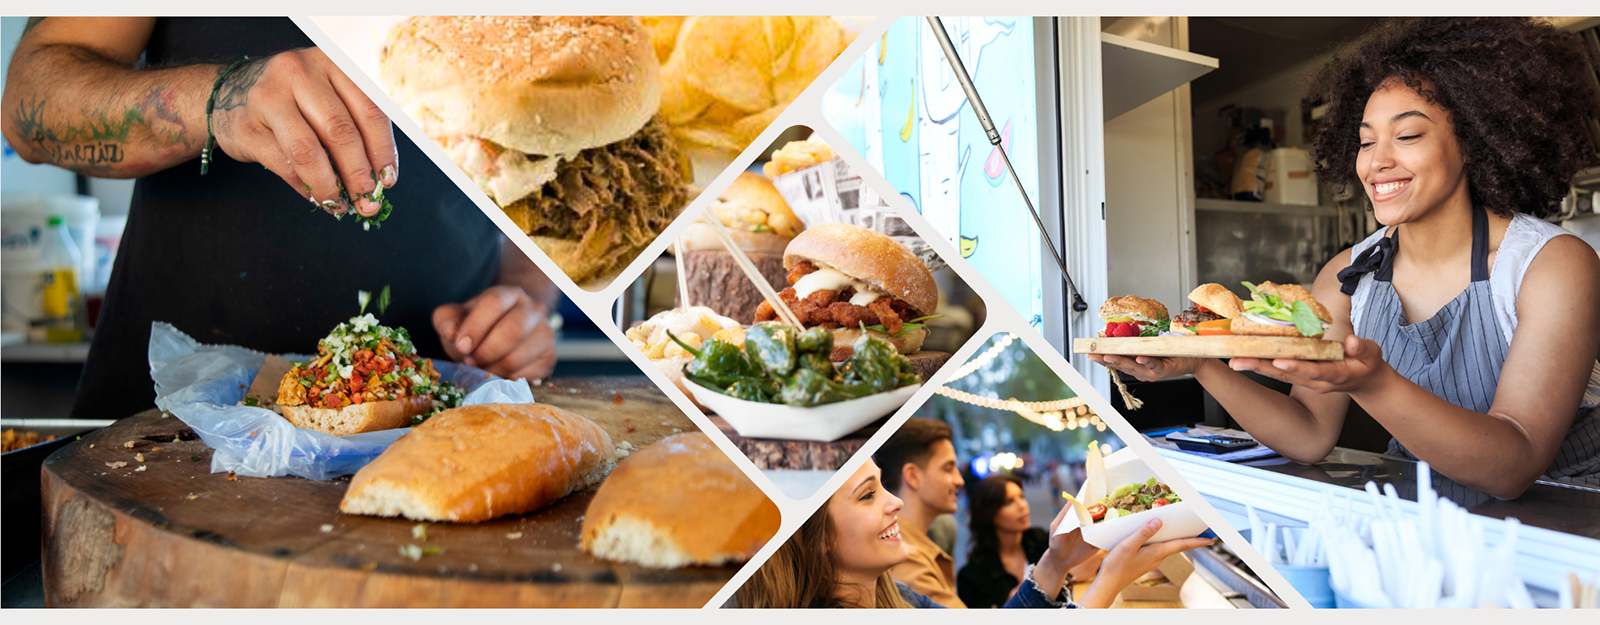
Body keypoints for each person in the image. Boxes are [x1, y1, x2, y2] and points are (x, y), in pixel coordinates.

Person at [1089, 18, 1600, 502]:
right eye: (1365, 141)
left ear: (1474, 140)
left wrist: (1372, 383)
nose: (1377, 162)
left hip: (1566, 519)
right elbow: (1309, 434)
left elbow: (1514, 465)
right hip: (1428, 515)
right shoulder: (1346, 277)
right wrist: (1202, 365)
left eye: (1407, 135)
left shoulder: (1548, 265)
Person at [2, 17, 560, 420]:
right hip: (167, 430)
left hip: (435, 424)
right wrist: (221, 99)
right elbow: (29, 105)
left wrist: (523, 299)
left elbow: (546, 191)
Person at [727, 458, 1213, 608]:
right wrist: (1107, 581)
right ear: (814, 536)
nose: (893, 501)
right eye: (867, 494)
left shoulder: (897, 597)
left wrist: (1056, 561)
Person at [958, 474, 1108, 608]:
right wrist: (1067, 576)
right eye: (1009, 502)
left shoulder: (1041, 539)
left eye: (1021, 497)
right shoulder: (971, 576)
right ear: (988, 513)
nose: (1022, 506)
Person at [874, 417, 967, 607]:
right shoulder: (905, 558)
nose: (959, 480)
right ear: (913, 476)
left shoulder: (920, 541)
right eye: (948, 469)